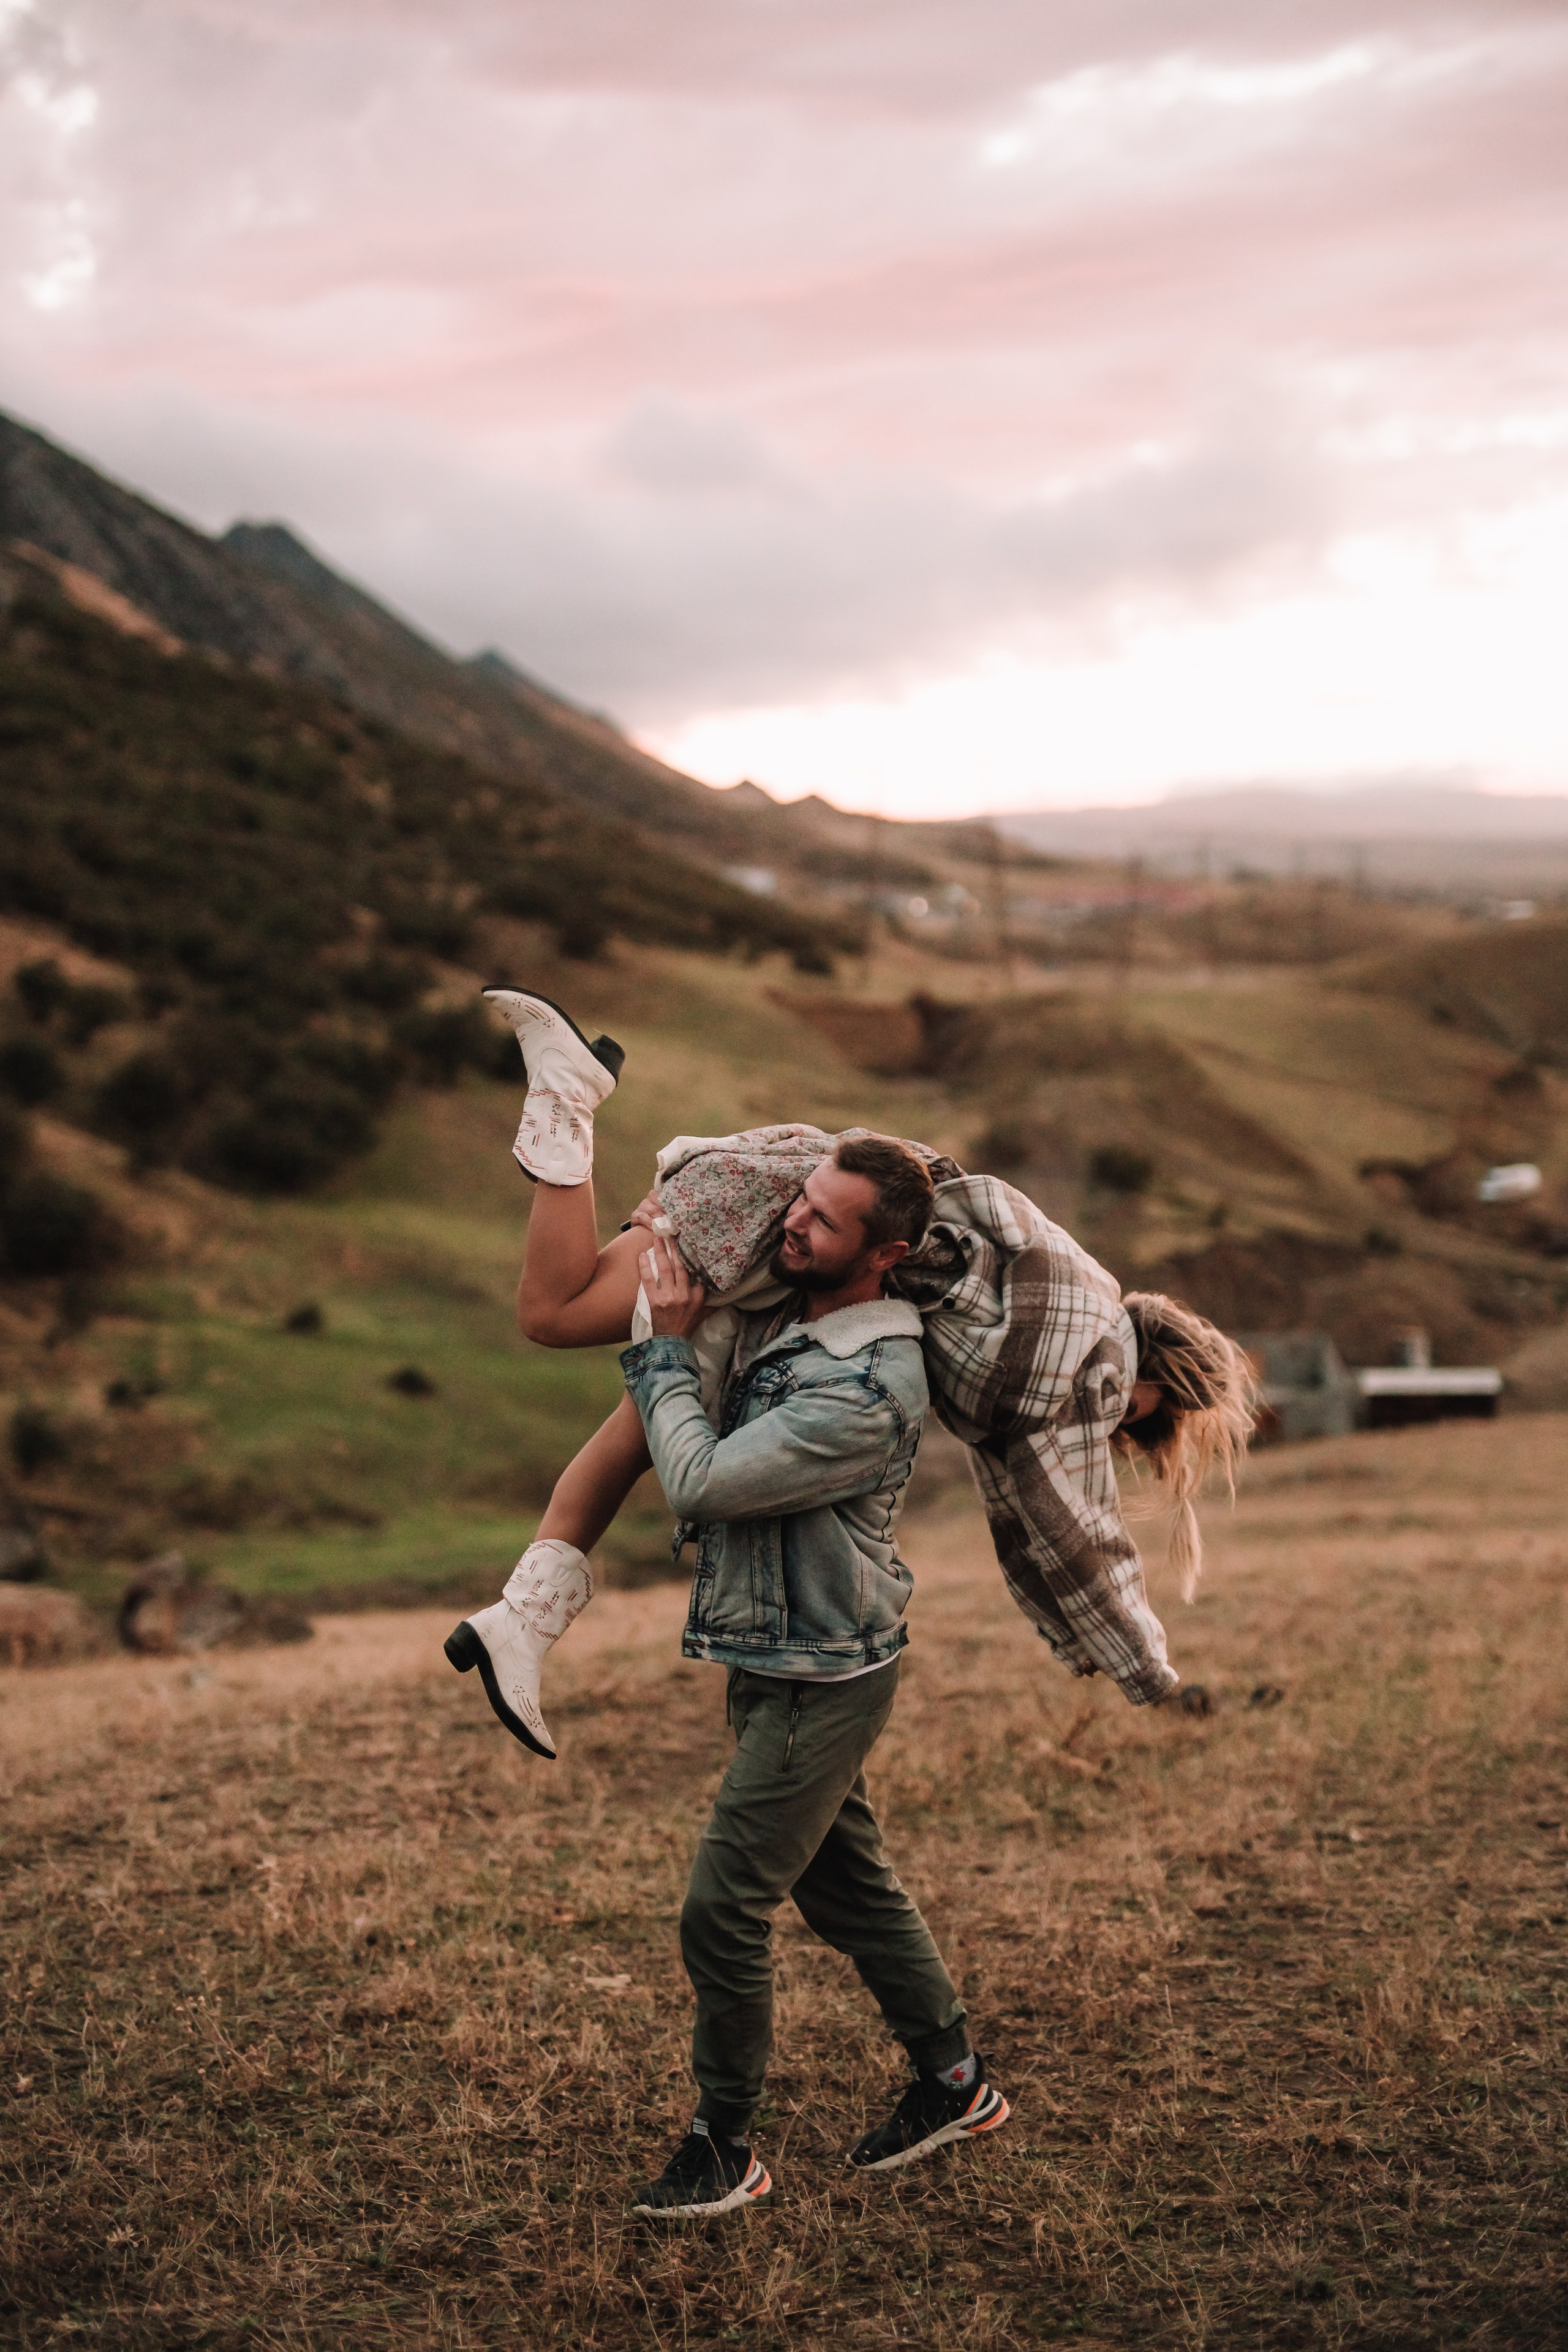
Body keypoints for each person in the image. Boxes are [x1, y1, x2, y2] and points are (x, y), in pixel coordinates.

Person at [443, 986, 1253, 2211]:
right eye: (1141, 1422)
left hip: (825, 1657)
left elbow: (709, 1479)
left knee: (739, 1904)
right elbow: (1070, 1522)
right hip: (796, 1640)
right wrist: (1138, 1657)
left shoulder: (900, 1352)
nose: (1118, 1433)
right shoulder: (1050, 1349)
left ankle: (728, 2144)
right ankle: (955, 2080)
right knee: (573, 1323)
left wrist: (675, 1342)